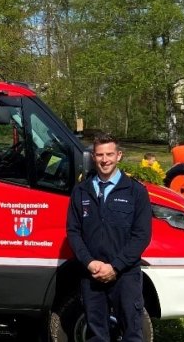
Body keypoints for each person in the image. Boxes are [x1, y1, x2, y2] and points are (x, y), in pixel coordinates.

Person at [67, 133, 151, 341]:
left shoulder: (135, 191)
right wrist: (89, 262)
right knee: (97, 334)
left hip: (125, 275)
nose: (105, 160)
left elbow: (142, 236)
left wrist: (115, 267)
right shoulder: (81, 191)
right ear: (93, 157)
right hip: (92, 274)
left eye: (110, 154)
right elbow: (73, 232)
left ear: (119, 155)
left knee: (132, 333)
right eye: (100, 155)